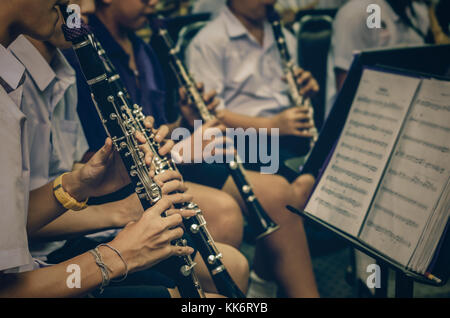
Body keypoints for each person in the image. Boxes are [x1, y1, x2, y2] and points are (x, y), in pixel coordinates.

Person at [6, 0, 248, 297]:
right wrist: (118, 245)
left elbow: (31, 198)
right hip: (45, 260)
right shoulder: (17, 86)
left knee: (234, 264)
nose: (87, 9)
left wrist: (80, 183)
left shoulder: (64, 68)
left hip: (51, 252)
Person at [187, 0, 320, 297]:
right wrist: (272, 125)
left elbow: (289, 95)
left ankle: (263, 278)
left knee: (320, 175)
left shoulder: (283, 34)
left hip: (285, 135)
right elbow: (208, 115)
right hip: (240, 141)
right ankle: (266, 281)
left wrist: (304, 89)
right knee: (292, 192)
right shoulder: (208, 41)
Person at [325, 0, 431, 119]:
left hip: (407, 111)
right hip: (363, 118)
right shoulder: (357, 14)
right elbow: (345, 96)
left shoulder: (419, 11)